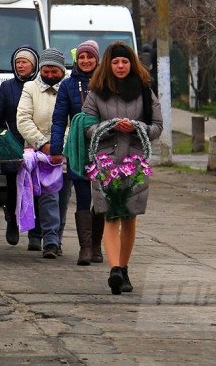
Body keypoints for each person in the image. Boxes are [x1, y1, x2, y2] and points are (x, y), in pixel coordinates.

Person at [82, 41, 163, 295]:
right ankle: (115, 269)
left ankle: (124, 268)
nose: (120, 66)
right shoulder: (96, 92)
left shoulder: (144, 91)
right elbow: (86, 126)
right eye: (116, 62)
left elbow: (157, 127)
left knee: (129, 217)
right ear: (109, 64)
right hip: (105, 161)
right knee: (110, 215)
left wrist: (137, 127)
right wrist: (111, 126)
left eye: (125, 62)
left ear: (132, 64)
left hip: (135, 162)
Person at [51, 40, 102, 266]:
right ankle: (86, 247)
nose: (86, 61)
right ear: (76, 60)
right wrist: (55, 149)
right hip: (77, 147)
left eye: (90, 57)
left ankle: (98, 245)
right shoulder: (67, 85)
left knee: (101, 197)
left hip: (103, 145)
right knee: (83, 196)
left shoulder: (106, 83)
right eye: (81, 57)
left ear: (97, 59)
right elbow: (59, 119)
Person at [0, 45, 42, 250]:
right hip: (12, 144)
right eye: (17, 62)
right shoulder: (7, 87)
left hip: (36, 144)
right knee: (12, 186)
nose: (20, 66)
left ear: (33, 65)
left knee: (36, 188)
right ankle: (12, 220)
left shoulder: (40, 86)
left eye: (24, 62)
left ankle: (36, 233)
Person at [16, 47, 66, 259]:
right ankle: (50, 240)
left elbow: (74, 120)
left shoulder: (69, 88)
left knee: (62, 197)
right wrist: (44, 145)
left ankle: (56, 239)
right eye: (46, 70)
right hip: (38, 151)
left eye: (55, 71)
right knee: (47, 195)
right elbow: (23, 119)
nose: (51, 75)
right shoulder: (30, 88)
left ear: (62, 71)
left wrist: (60, 148)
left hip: (64, 151)